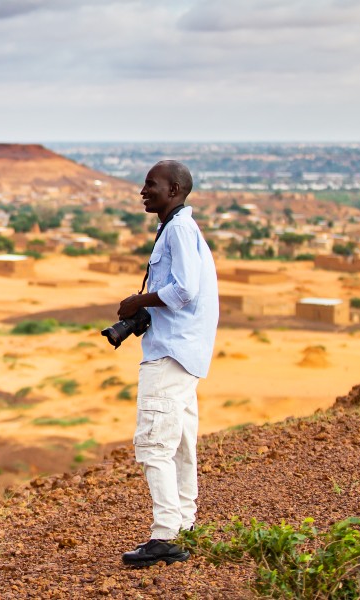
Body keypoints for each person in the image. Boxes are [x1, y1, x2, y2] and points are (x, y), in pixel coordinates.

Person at [117, 160, 219, 568]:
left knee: (154, 443)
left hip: (170, 353)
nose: (144, 191)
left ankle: (165, 535)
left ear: (174, 189)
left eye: (151, 184)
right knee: (179, 443)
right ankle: (185, 525)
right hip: (185, 353)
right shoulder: (180, 227)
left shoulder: (177, 229)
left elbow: (184, 291)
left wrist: (138, 301)